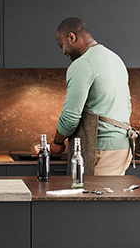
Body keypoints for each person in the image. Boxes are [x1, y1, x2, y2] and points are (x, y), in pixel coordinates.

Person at [42, 17, 133, 176]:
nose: (63, 51)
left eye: (62, 45)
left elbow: (70, 118)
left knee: (93, 199)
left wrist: (57, 142)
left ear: (72, 37)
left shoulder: (82, 64)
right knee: (110, 198)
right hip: (123, 147)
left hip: (100, 149)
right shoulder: (115, 59)